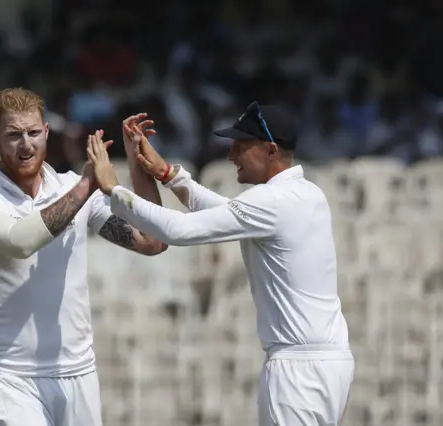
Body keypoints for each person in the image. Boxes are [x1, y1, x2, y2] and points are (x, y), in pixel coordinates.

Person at [87, 102, 355, 426]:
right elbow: (226, 211)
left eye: (240, 147)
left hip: (297, 372)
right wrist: (168, 175)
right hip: (333, 362)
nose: (231, 156)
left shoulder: (270, 202)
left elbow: (179, 230)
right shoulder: (307, 194)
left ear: (270, 150)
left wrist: (113, 189)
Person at [0, 87, 167, 426]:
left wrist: (138, 166)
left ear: (46, 132)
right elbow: (18, 242)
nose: (26, 144)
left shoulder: (73, 188)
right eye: (13, 135)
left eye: (34, 133)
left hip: (79, 373)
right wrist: (85, 186)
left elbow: (151, 241)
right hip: (9, 376)